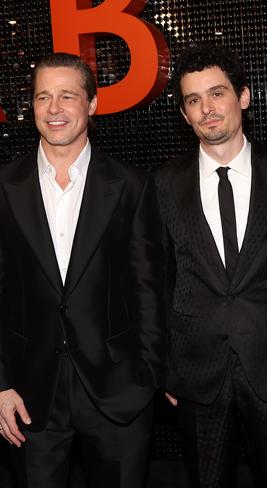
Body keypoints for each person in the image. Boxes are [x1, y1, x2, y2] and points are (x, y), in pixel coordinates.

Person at [0, 53, 165, 487]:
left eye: (67, 96)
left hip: (118, 392)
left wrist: (146, 377)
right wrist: (0, 385)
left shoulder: (131, 185)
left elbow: (150, 288)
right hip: (28, 395)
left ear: (91, 104)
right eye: (43, 97)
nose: (54, 109)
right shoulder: (4, 186)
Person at [154, 43, 267, 488]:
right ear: (184, 114)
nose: (207, 109)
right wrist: (163, 365)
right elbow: (155, 281)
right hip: (194, 372)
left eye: (217, 93)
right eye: (193, 100)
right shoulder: (163, 183)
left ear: (242, 97)